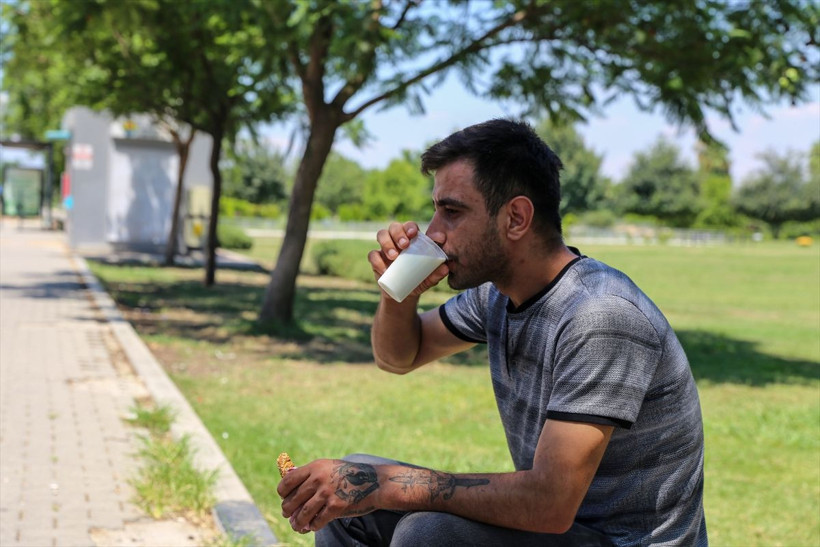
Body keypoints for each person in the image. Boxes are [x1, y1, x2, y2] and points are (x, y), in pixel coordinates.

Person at [278, 119, 708, 546]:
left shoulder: (600, 316)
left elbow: (549, 503)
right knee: (345, 501)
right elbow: (399, 357)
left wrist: (385, 484)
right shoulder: (497, 296)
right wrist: (399, 289)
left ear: (516, 218)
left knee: (425, 531)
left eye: (452, 212)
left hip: (619, 540)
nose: (433, 233)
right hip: (560, 532)